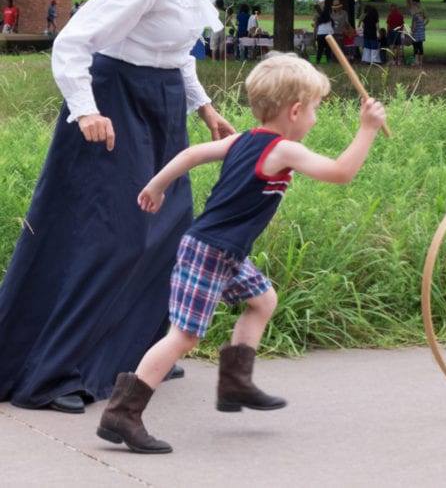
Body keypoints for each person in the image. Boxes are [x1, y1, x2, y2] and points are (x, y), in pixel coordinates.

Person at [0, 0, 256, 414]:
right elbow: (73, 44)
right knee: (113, 236)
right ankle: (51, 373)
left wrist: (205, 107)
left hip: (161, 103)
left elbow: (175, 49)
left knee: (168, 227)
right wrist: (86, 110)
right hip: (113, 104)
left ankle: (139, 354)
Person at [96, 53, 386, 454]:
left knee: (263, 300)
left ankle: (234, 383)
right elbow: (341, 172)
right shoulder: (282, 150)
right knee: (183, 336)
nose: (315, 119)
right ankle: (122, 413)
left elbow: (191, 155)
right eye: (315, 111)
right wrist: (367, 128)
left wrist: (157, 185)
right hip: (211, 250)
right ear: (296, 110)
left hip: (224, 252)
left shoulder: (245, 139)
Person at [410, 0, 428, 67]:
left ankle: (416, 61)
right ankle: (420, 62)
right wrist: (423, 26)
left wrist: (411, 32)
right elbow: (426, 19)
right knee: (420, 46)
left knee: (415, 46)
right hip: (421, 32)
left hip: (416, 33)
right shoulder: (421, 16)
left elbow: (414, 25)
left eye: (414, 4)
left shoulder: (415, 16)